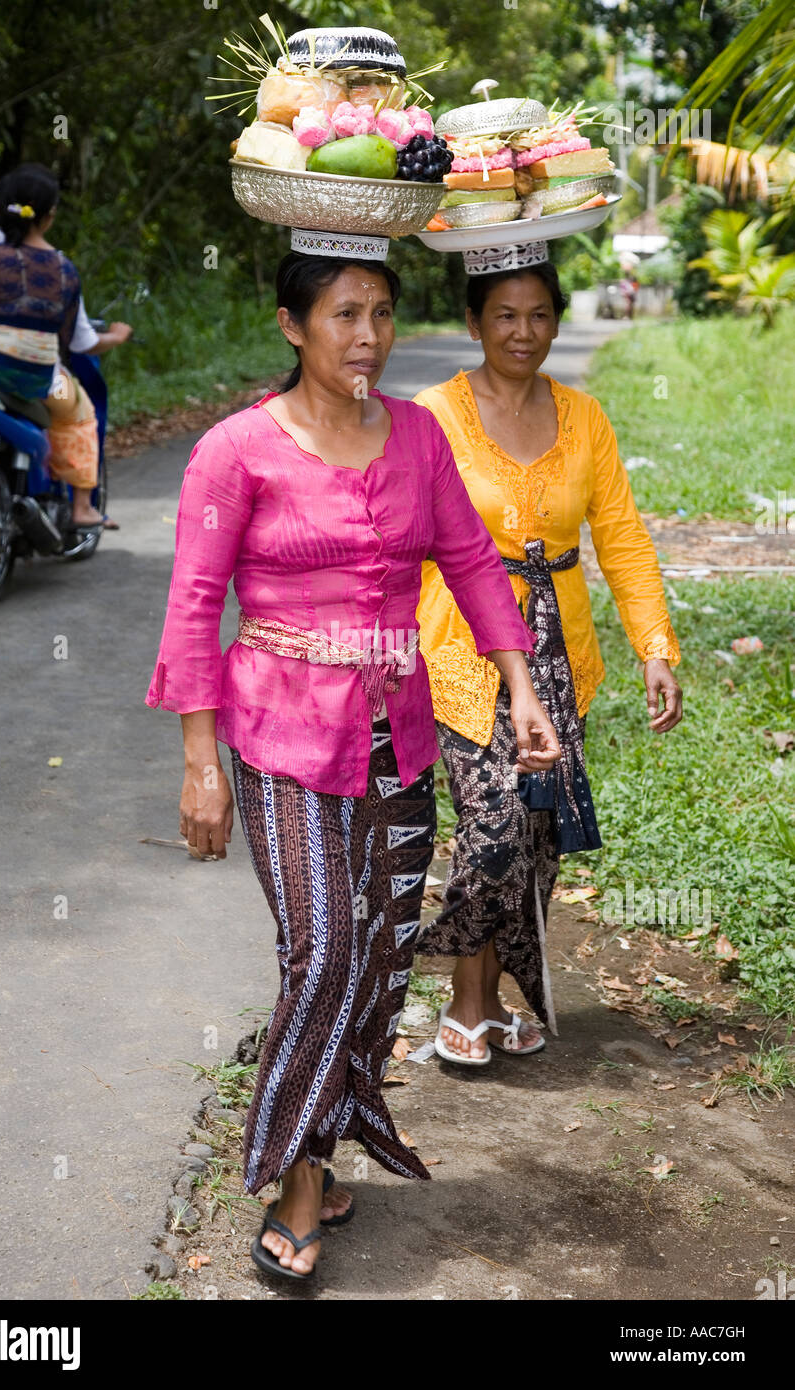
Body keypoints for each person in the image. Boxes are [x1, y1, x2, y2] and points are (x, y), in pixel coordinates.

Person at [145, 244, 561, 1280]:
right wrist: (199, 760)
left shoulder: (417, 437)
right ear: (292, 326)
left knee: (376, 958)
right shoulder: (234, 450)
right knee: (325, 946)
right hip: (277, 734)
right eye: (342, 316)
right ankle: (293, 1177)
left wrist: (519, 687)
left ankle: (317, 1148)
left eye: (379, 314)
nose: (366, 337)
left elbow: (466, 559)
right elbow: (195, 603)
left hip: (395, 736)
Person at [414, 250, 682, 1065]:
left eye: (538, 315)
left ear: (556, 320)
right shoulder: (435, 415)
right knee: (490, 833)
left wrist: (654, 648)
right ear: (473, 323)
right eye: (504, 316)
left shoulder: (585, 419)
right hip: (461, 651)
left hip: (563, 659)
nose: (523, 332)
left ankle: (494, 1003)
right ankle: (461, 998)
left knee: (536, 840)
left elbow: (625, 540)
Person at [0, 165, 126, 527]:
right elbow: (72, 343)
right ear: (49, 217)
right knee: (82, 414)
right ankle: (82, 507)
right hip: (41, 380)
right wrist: (114, 337)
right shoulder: (65, 270)